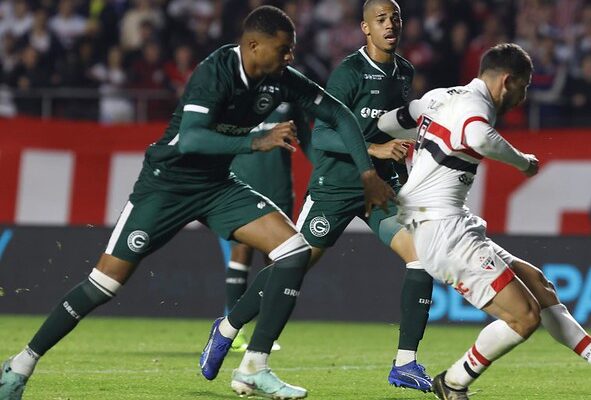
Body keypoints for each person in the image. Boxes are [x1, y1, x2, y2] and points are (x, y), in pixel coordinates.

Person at [0, 6, 395, 400]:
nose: (290, 57)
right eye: (284, 49)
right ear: (254, 45)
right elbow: (190, 139)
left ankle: (255, 366)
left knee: (293, 252)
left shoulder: (281, 80)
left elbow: (339, 115)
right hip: (166, 186)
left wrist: (366, 174)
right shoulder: (216, 71)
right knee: (104, 283)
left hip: (216, 185)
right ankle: (21, 364)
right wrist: (255, 140)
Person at [377, 43, 591, 400]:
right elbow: (477, 137)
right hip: (443, 231)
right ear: (507, 81)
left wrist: (383, 145)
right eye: (524, 87)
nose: (523, 95)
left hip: (447, 221)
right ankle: (452, 382)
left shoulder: (439, 97)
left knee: (540, 287)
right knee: (524, 318)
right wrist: (523, 162)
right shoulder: (476, 105)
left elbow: (387, 123)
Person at [199, 0, 436, 394]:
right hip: (335, 188)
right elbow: (324, 134)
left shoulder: (404, 72)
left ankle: (405, 363)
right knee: (294, 267)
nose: (390, 25)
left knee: (422, 257)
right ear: (365, 28)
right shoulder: (349, 72)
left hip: (379, 190)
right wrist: (375, 150)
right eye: (381, 20)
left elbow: (390, 125)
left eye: (395, 18)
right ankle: (227, 327)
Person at [220, 102, 313, 353]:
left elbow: (306, 138)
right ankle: (234, 331)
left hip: (278, 187)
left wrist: (322, 169)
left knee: (276, 261)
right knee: (240, 252)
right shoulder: (239, 92)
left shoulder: (289, 96)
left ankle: (265, 332)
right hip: (241, 183)